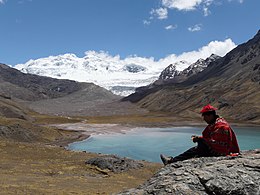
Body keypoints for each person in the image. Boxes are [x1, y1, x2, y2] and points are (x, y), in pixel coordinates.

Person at [160, 104, 240, 165]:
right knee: (197, 148)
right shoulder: (215, 124)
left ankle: (172, 161)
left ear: (210, 115)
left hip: (222, 152)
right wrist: (200, 139)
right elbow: (211, 139)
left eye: (205, 117)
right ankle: (173, 160)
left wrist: (200, 139)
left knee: (197, 148)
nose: (204, 119)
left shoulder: (221, 126)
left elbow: (218, 144)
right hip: (218, 150)